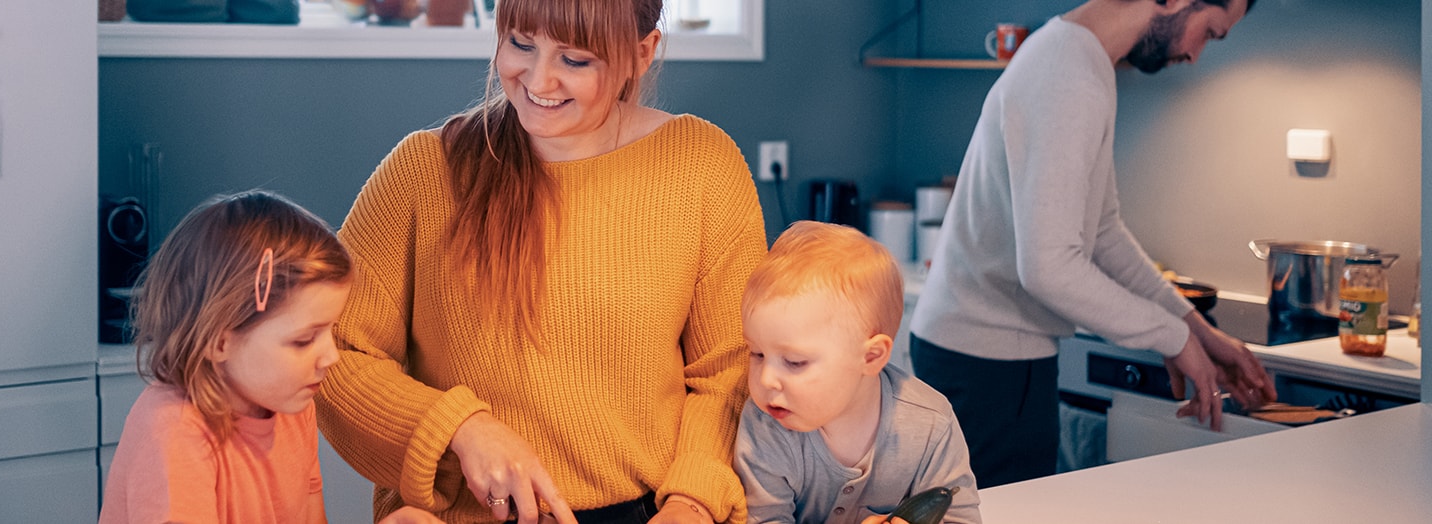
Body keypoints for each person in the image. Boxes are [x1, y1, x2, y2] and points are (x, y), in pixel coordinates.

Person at [313, 0, 767, 523]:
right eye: (521, 44)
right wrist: (459, 427)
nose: (539, 79)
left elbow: (730, 369)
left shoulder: (703, 165)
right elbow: (336, 350)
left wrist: (692, 503)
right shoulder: (423, 171)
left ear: (642, 54)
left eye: (574, 60)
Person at [907, 0, 1278, 489]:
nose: (1195, 54)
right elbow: (1047, 267)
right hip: (990, 365)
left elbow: (1102, 232)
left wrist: (1195, 329)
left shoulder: (1077, 57)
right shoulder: (1070, 74)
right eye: (1209, 32)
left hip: (982, 353)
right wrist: (1173, 338)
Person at [99, 190, 438, 523]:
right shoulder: (174, 432)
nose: (331, 357)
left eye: (330, 332)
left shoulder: (291, 405)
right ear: (218, 341)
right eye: (304, 340)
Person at [733, 221, 979, 524]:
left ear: (871, 357)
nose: (766, 379)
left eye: (795, 362)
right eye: (756, 353)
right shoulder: (765, 428)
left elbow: (960, 517)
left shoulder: (931, 424)